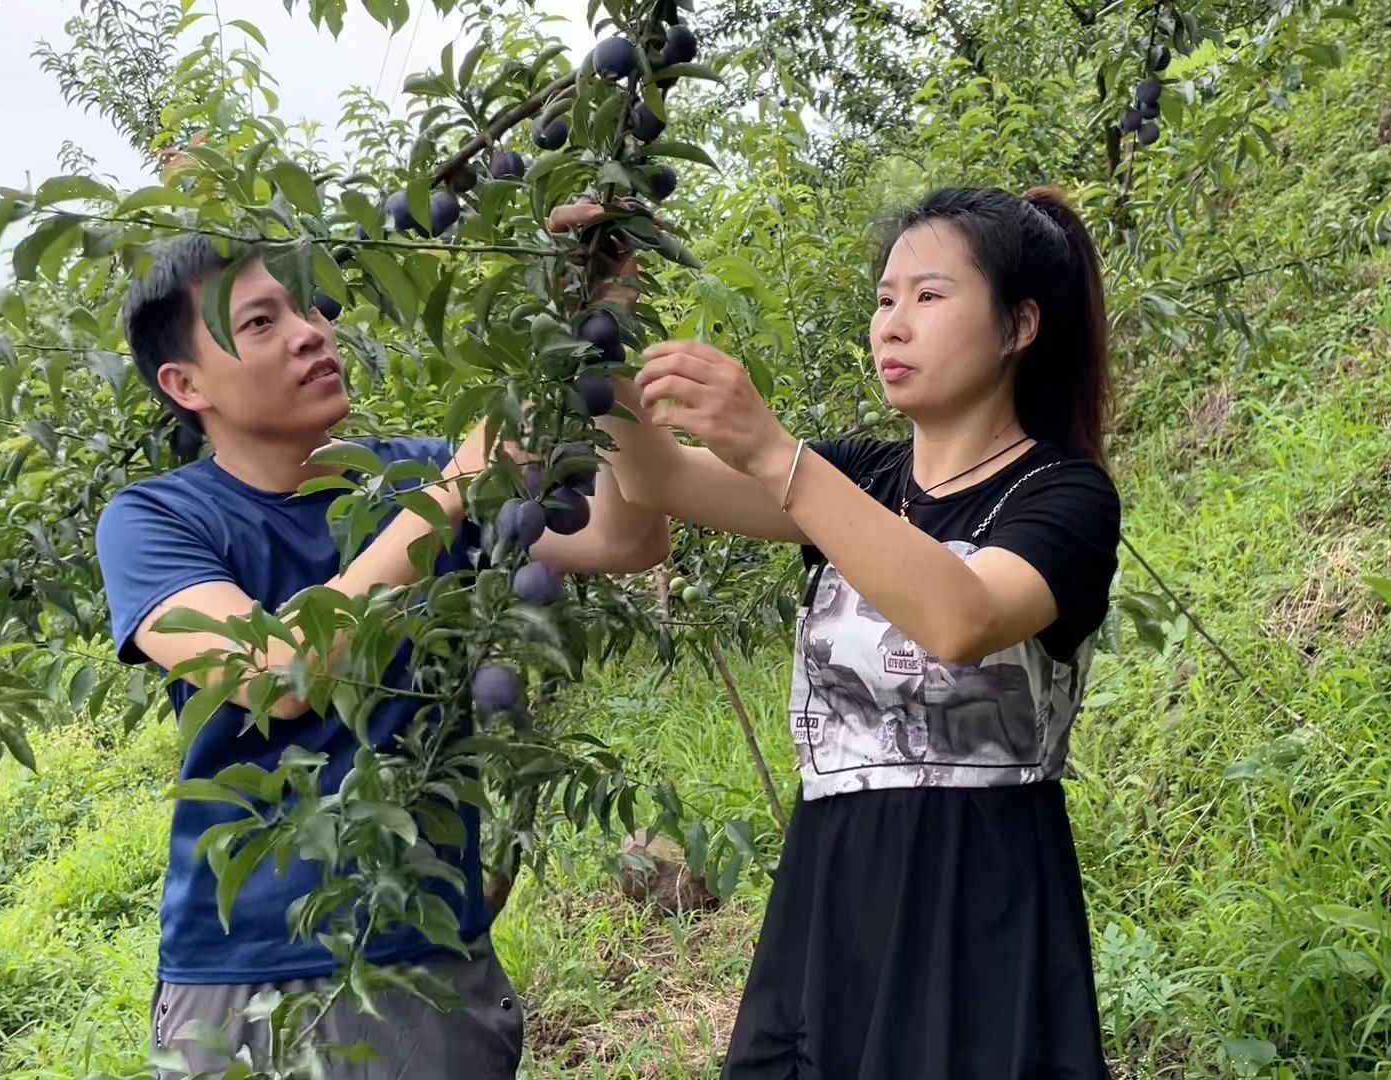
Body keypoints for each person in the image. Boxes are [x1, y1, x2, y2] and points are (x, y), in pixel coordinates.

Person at [95, 233, 670, 1079]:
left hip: (430, 957)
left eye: (310, 309)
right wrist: (454, 492)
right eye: (262, 321)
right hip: (251, 983)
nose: (311, 333)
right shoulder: (154, 522)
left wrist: (601, 331)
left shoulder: (416, 478)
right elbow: (276, 677)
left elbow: (629, 537)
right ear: (184, 384)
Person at [600, 185, 1121, 1078]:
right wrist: (601, 311)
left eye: (929, 296)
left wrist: (773, 450)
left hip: (977, 894)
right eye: (884, 300)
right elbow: (653, 478)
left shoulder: (1063, 496)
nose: (892, 325)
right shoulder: (858, 476)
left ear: (1019, 326)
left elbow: (965, 617)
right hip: (832, 887)